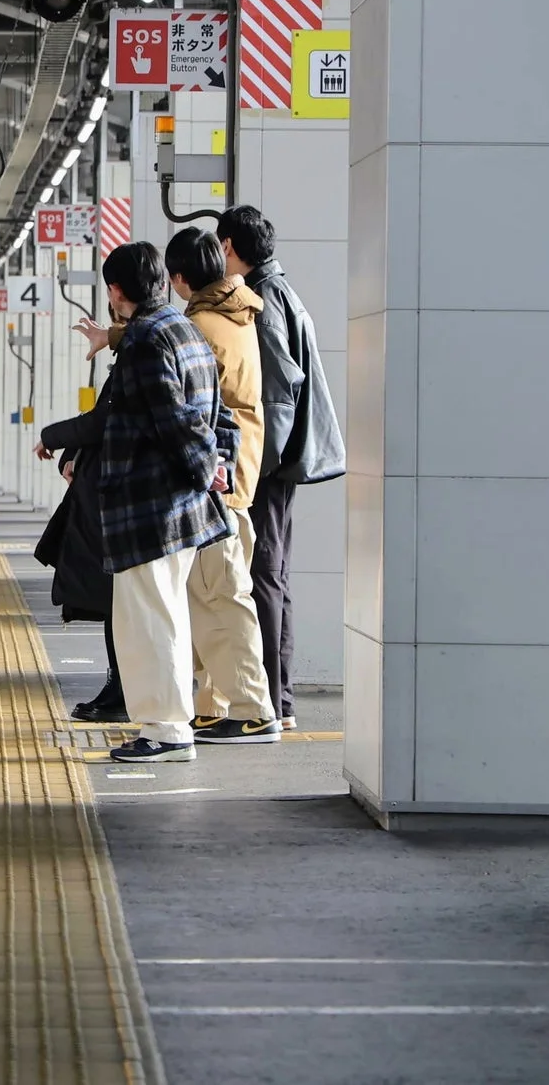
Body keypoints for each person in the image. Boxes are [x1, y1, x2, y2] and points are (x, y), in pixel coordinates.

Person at [94, 242, 232, 763]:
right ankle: (170, 725)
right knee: (166, 614)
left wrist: (204, 468)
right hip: (180, 507)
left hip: (149, 509)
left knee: (149, 622)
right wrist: (219, 465)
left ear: (116, 290)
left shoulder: (145, 339)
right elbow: (220, 413)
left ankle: (167, 730)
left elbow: (173, 419)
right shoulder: (185, 328)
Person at [213, 206, 345, 729]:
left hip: (269, 464)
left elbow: (275, 396)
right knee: (274, 575)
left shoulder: (263, 300)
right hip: (281, 460)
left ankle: (271, 700)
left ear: (228, 247)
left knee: (264, 575)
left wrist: (254, 469)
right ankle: (278, 698)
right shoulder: (278, 290)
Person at [165, 227, 279, 744]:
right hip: (237, 478)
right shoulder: (239, 316)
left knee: (222, 596)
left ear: (180, 278)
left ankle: (254, 709)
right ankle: (213, 706)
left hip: (216, 483)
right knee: (210, 597)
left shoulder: (202, 326)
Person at [35, 369, 125, 722]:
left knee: (127, 604)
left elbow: (107, 419)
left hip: (131, 505)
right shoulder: (133, 354)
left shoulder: (147, 350)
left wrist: (53, 437)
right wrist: (74, 452)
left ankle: (129, 695)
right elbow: (103, 418)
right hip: (113, 504)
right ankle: (121, 689)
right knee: (116, 602)